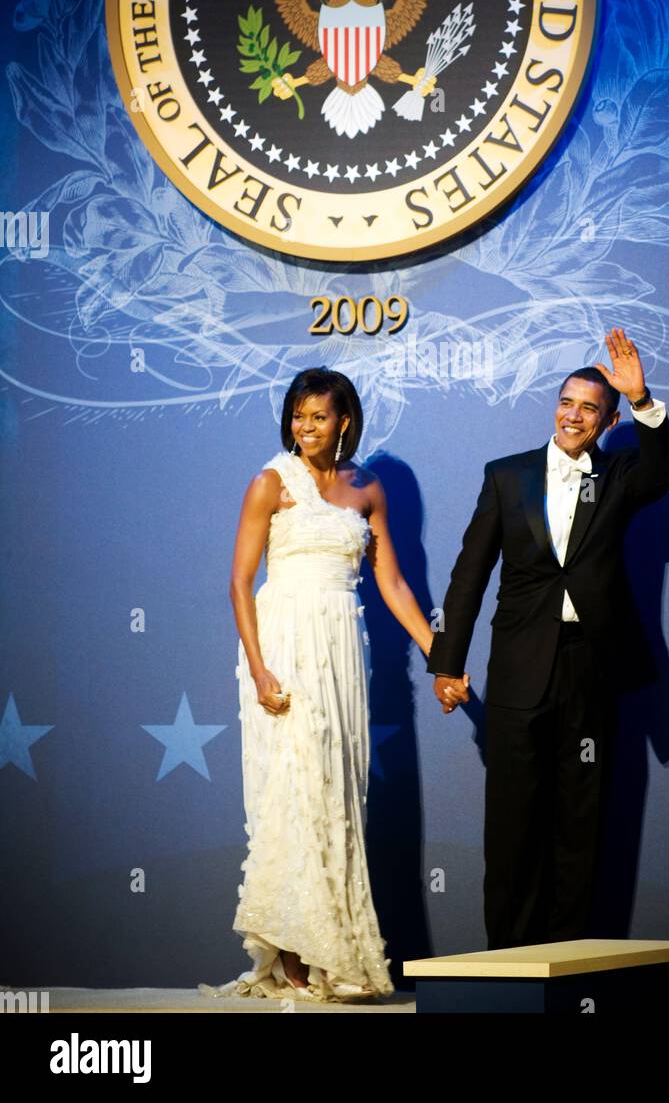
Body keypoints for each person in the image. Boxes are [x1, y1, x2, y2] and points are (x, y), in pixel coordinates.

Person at [426, 328, 669, 949]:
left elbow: (662, 469)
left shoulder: (619, 475)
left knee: (579, 823)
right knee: (512, 827)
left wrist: (644, 399)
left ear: (607, 418)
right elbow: (469, 573)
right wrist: (447, 663)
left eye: (590, 407)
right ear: (555, 407)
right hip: (519, 669)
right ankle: (509, 968)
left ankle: (568, 967)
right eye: (567, 402)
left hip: (590, 668)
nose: (574, 415)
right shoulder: (507, 476)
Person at [199, 367, 437, 1004]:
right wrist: (258, 667)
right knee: (292, 794)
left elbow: (391, 585)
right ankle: (298, 956)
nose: (306, 427)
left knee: (336, 795)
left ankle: (338, 953)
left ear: (345, 421)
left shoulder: (367, 489)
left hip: (341, 655)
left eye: (319, 416)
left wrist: (440, 653)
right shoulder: (270, 483)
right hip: (282, 649)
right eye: (299, 415)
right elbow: (239, 583)